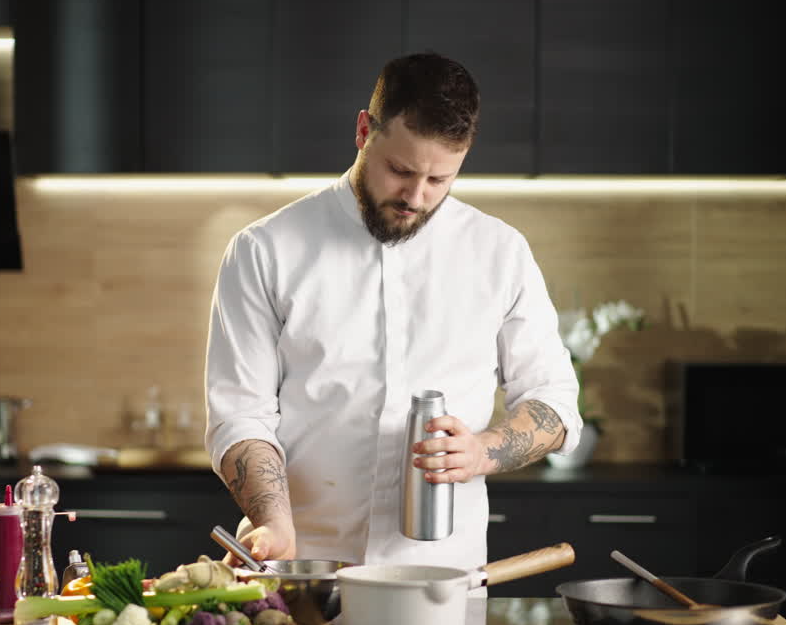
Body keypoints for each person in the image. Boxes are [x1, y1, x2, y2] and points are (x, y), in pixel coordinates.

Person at [204, 52, 581, 573]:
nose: (416, 197)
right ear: (364, 131)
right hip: (304, 570)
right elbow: (240, 413)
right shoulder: (265, 249)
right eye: (400, 170)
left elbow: (554, 402)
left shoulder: (500, 252)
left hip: (443, 578)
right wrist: (272, 519)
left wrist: (484, 452)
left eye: (440, 181)